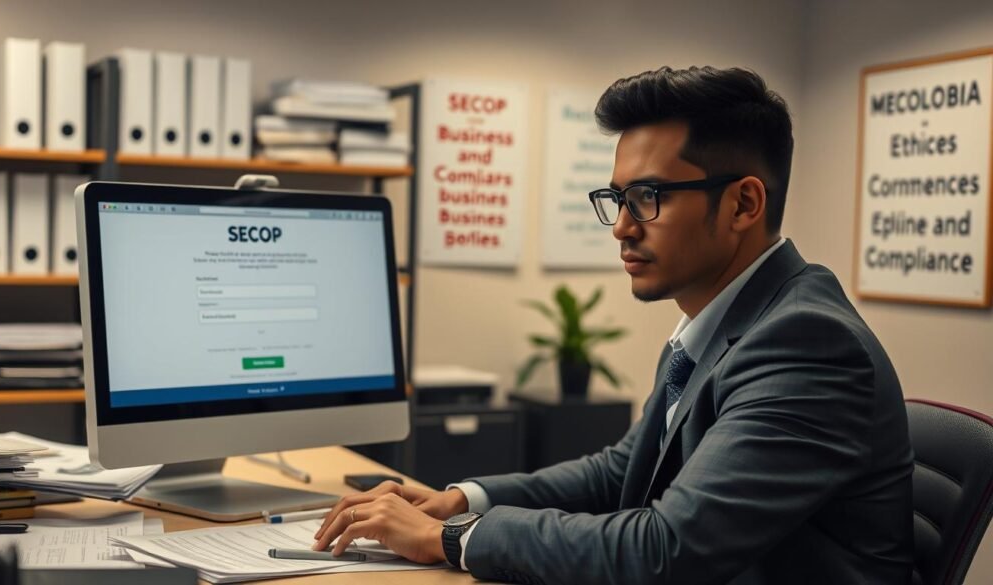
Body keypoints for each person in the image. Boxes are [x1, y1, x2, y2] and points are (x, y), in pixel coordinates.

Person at [312, 66, 914, 584]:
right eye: (617, 198)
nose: (622, 226)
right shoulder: (723, 324)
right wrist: (461, 500)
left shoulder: (807, 344)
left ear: (743, 204)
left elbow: (663, 551)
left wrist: (450, 538)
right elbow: (621, 471)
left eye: (648, 196)